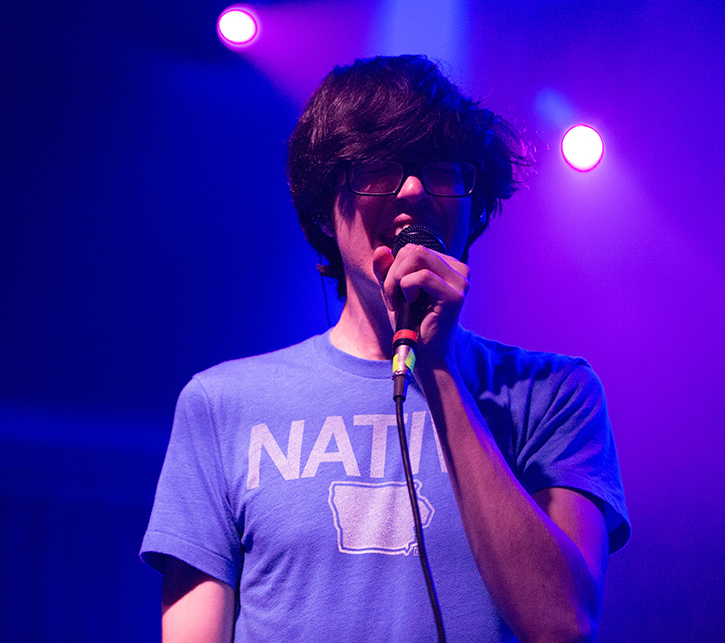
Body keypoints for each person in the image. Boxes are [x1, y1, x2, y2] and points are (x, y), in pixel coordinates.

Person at [141, 55, 629, 642]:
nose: (415, 189)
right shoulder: (222, 403)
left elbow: (564, 626)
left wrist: (439, 368)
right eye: (379, 167)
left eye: (442, 169)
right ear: (325, 209)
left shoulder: (552, 393)